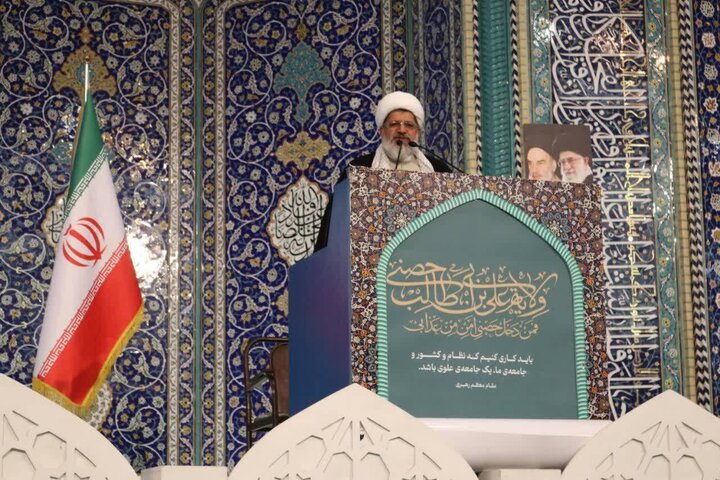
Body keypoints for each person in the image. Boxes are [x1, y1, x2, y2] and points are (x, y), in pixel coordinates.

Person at [349, 91, 451, 173]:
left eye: (409, 125)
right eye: (394, 124)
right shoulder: (359, 169)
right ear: (381, 131)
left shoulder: (439, 170)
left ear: (417, 132)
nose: (401, 130)